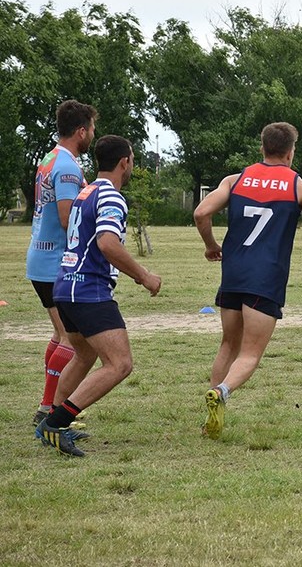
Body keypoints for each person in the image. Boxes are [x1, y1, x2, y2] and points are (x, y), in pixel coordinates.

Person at [194, 122, 302, 439]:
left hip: (233, 273)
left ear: (262, 147)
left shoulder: (235, 180)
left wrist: (211, 246)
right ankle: (222, 392)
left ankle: (212, 415)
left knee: (228, 344)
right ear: (290, 151)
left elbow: (201, 213)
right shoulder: (298, 186)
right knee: (250, 354)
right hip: (265, 277)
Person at [36, 135, 162, 457]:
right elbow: (107, 243)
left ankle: (51, 421)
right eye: (132, 159)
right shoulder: (112, 197)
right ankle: (56, 423)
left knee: (83, 356)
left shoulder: (86, 191)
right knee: (120, 364)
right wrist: (144, 276)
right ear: (125, 162)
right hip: (88, 289)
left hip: (65, 284)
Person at [25, 99, 97, 427]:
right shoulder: (67, 165)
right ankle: (50, 410)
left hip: (40, 256)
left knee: (59, 335)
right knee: (71, 338)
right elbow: (69, 219)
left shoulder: (48, 158)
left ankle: (47, 404)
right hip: (55, 260)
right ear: (81, 131)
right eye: (92, 129)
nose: (93, 135)